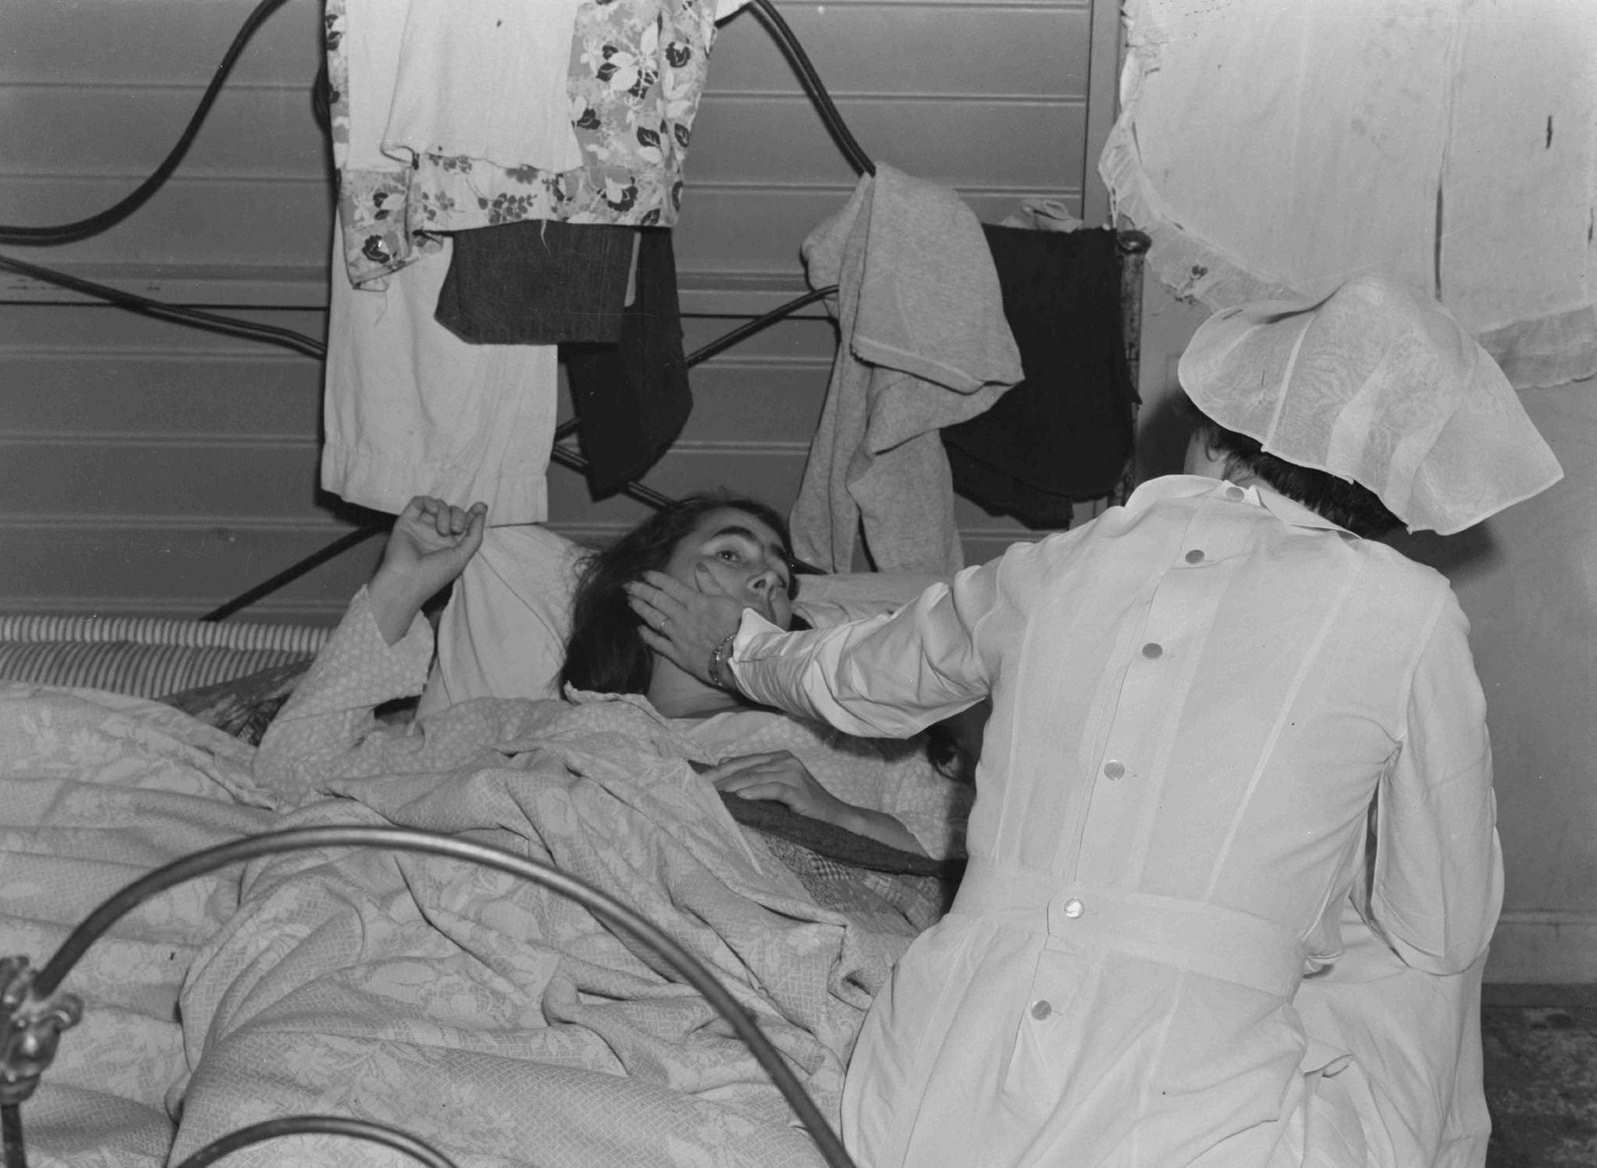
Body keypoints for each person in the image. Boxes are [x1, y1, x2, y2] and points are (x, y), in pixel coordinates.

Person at [626, 274, 1565, 1168]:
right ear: (1396, 491)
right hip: (1192, 1119)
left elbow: (850, 676)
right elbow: (1439, 922)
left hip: (929, 1098)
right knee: (1419, 955)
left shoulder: (1055, 567)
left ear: (1217, 443)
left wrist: (735, 650)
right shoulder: (1407, 611)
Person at [259, 491, 967, 859]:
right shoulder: (534, 728)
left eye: (780, 576)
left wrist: (839, 817)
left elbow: (983, 870)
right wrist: (400, 586)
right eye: (730, 553)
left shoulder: (860, 745)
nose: (767, 577)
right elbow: (294, 780)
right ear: (641, 587)